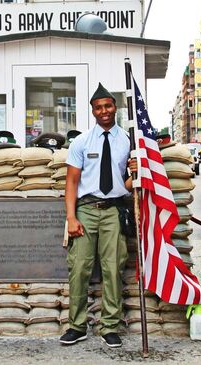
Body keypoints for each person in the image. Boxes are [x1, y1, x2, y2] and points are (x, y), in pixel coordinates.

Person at [61, 83, 137, 349]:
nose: (104, 111)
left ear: (115, 107)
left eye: (108, 105)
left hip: (114, 210)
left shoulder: (128, 141)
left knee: (113, 269)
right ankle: (77, 326)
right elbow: (71, 182)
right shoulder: (82, 141)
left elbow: (125, 183)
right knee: (79, 268)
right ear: (92, 111)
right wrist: (71, 217)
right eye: (98, 107)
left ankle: (110, 326)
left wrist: (135, 173)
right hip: (86, 210)